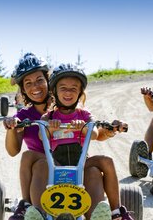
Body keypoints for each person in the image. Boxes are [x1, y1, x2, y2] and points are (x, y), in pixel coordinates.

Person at [3, 54, 107, 220]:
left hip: (74, 163)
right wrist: (11, 127)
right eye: (28, 83)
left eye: (39, 80)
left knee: (93, 171)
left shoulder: (66, 103)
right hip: (44, 171)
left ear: (48, 80)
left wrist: (109, 130)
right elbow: (13, 151)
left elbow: (94, 133)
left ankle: (101, 214)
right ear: (23, 89)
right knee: (37, 162)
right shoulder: (24, 116)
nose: (35, 87)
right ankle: (30, 208)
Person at [25, 63, 133, 220]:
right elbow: (42, 136)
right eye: (63, 88)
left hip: (81, 164)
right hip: (57, 164)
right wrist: (51, 129)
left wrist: (83, 129)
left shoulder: (84, 114)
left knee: (105, 162)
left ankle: (115, 212)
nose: (68, 92)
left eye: (73, 88)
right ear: (54, 91)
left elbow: (95, 133)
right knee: (40, 165)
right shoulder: (48, 117)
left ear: (80, 92)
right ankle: (39, 213)